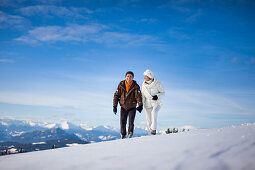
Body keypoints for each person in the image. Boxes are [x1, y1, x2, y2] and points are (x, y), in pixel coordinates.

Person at [113, 71, 143, 139]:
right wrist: (115, 106)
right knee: (122, 121)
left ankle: (130, 134)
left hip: (132, 107)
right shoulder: (121, 85)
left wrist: (140, 105)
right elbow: (116, 95)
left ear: (132, 78)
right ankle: (123, 135)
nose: (129, 78)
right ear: (125, 77)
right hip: (123, 106)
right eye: (128, 76)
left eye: (130, 76)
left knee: (131, 122)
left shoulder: (136, 86)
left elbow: (138, 96)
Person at [141, 70, 165, 135]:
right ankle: (150, 135)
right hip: (147, 104)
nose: (144, 77)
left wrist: (157, 96)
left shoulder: (157, 83)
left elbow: (163, 93)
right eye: (144, 75)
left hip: (156, 103)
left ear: (149, 76)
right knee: (148, 121)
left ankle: (153, 129)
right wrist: (141, 104)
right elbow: (143, 95)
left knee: (154, 112)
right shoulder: (143, 85)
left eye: (145, 75)